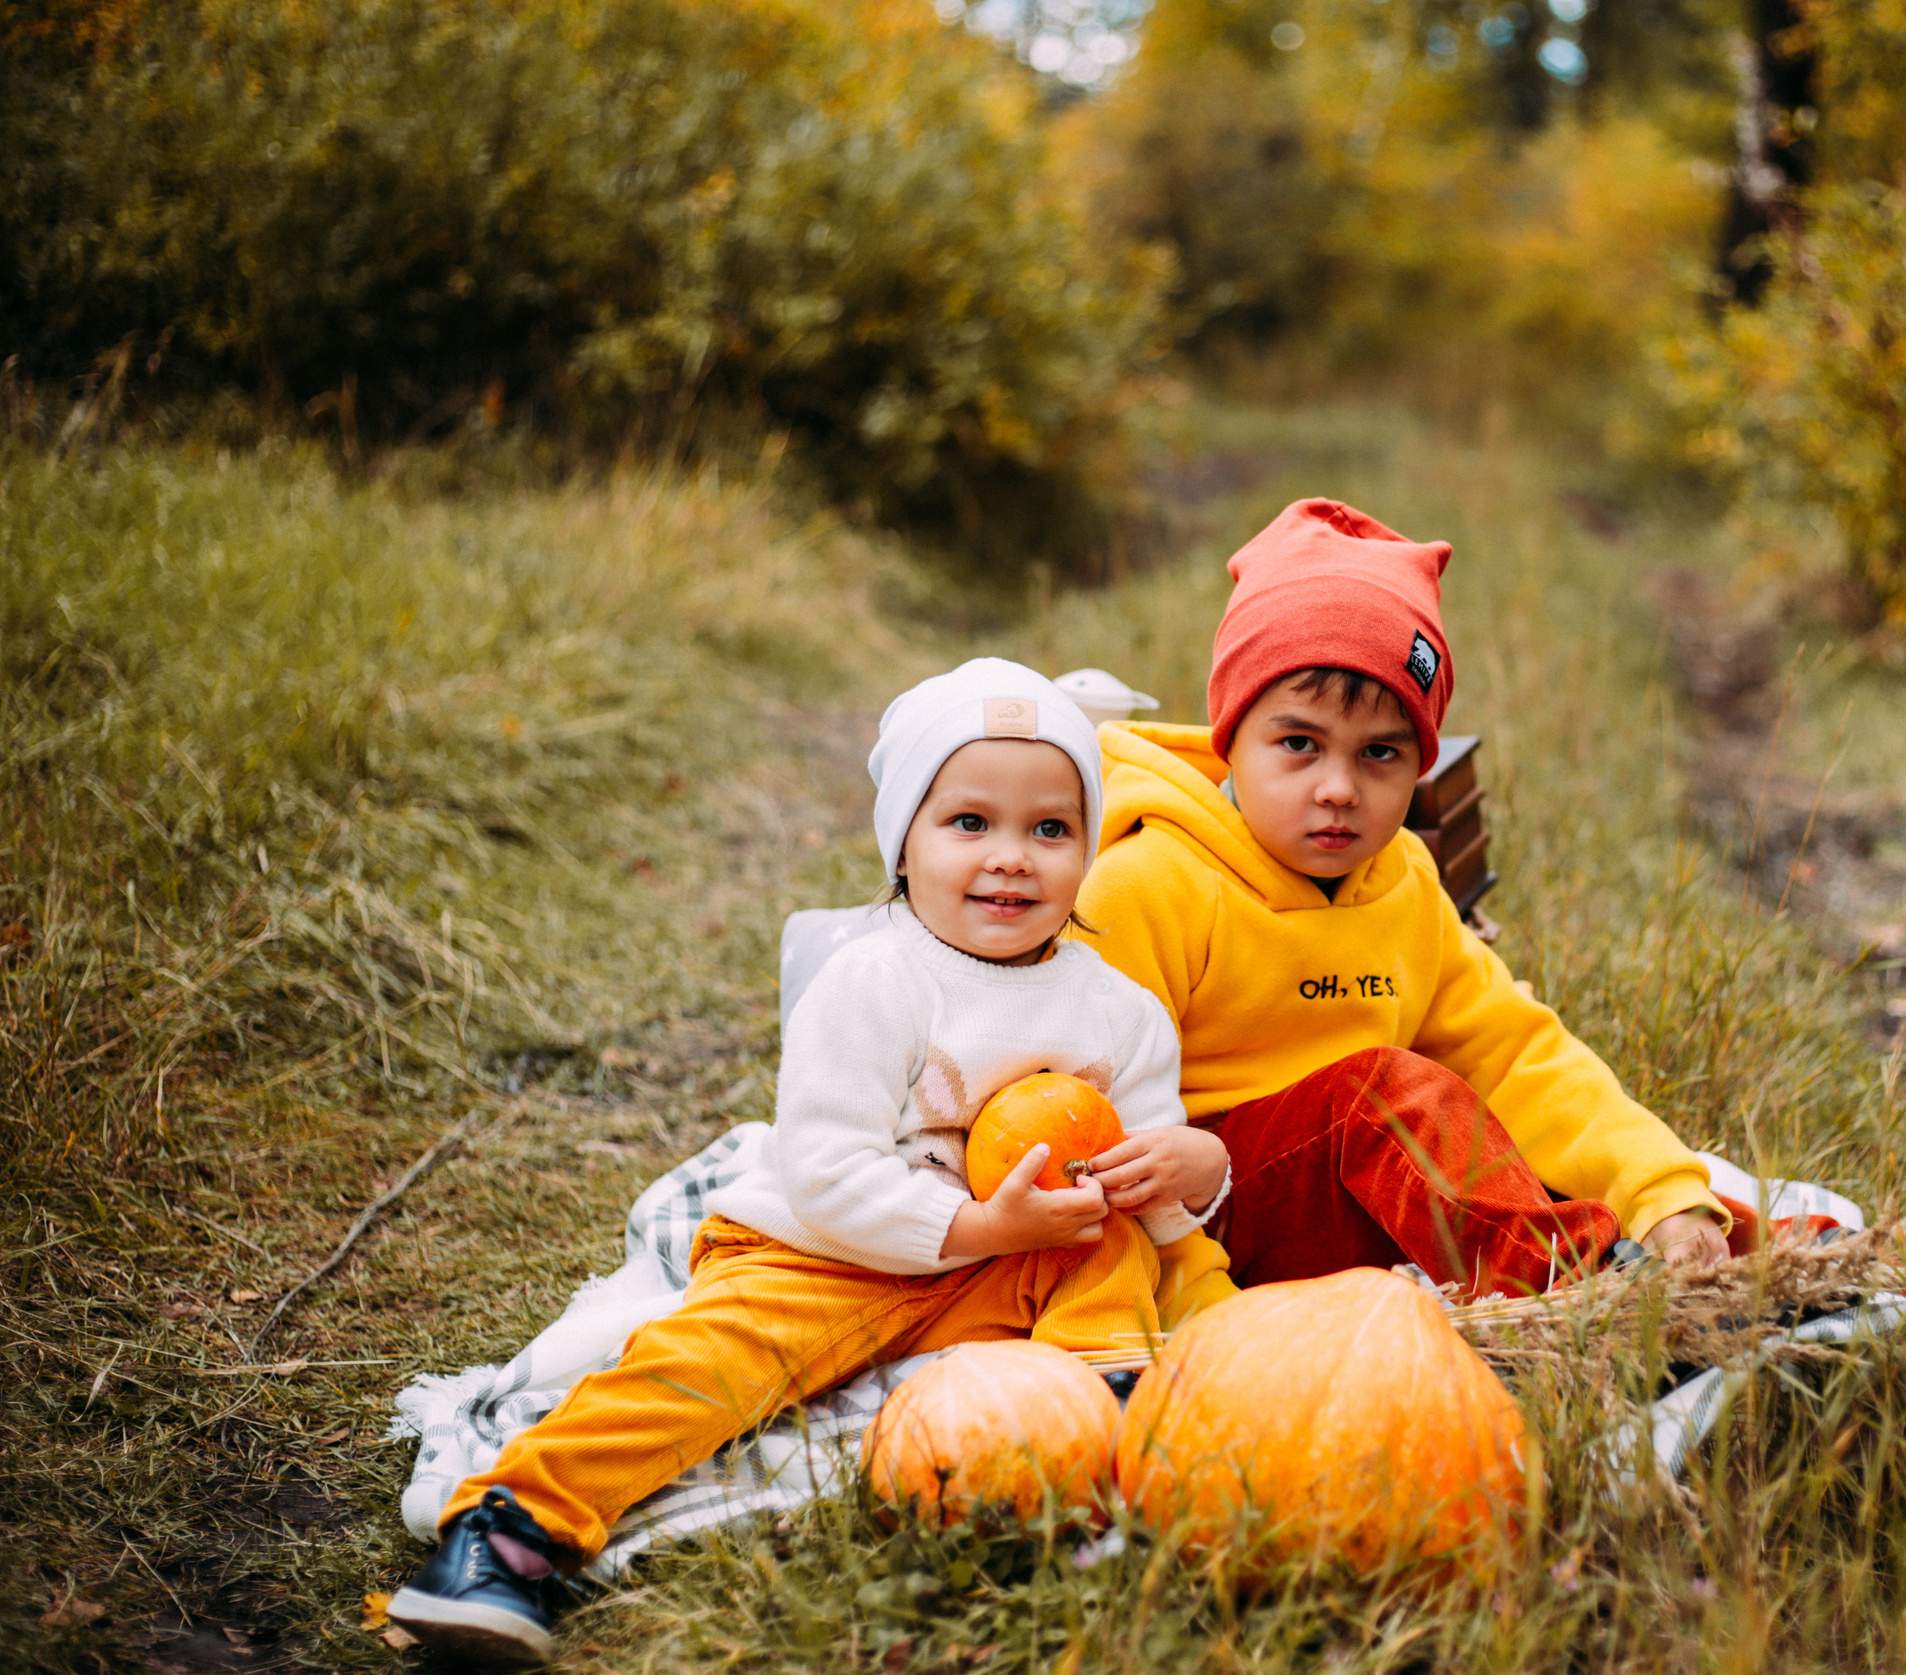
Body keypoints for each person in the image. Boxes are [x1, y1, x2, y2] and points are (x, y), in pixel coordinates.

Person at [387, 659, 1234, 1664]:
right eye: (970, 823)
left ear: (1085, 846)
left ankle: (1116, 1458)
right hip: (841, 1252)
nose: (1011, 857)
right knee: (711, 1360)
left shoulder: (1116, 1009)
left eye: (1049, 829)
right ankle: (513, 1529)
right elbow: (826, 1169)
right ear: (904, 843)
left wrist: (1191, 1165)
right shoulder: (877, 980)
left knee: (1122, 1260)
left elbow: (1147, 1175)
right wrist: (973, 1227)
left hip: (1024, 1262)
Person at [1076, 498, 1735, 1302]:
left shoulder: (1405, 880)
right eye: (1298, 744)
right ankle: (1588, 1297)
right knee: (1386, 1097)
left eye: (1380, 753)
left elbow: (1514, 1051)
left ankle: (1734, 1262)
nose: (1338, 789)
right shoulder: (1151, 881)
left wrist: (1662, 1188)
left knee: (1623, 1189)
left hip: (1364, 1194)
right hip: (1204, 1212)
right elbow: (1083, 1108)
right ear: (1231, 734)